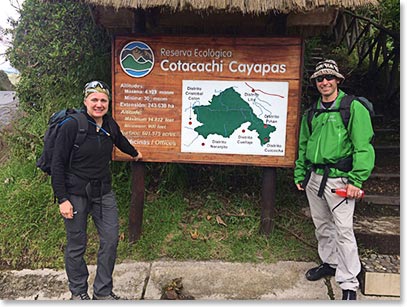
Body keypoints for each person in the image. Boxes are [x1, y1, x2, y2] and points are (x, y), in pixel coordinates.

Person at [51, 80, 142, 300]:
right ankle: (79, 293)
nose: (99, 104)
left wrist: (135, 154)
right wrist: (62, 199)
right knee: (76, 244)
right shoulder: (72, 125)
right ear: (85, 101)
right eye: (94, 99)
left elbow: (120, 141)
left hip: (103, 192)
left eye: (103, 100)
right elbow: (57, 164)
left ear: (108, 103)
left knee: (110, 240)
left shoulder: (109, 125)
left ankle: (102, 293)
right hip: (75, 194)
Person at [293, 59, 375, 300]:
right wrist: (300, 173)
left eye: (329, 77)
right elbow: (303, 145)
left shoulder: (352, 108)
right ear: (315, 83)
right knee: (322, 225)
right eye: (320, 78)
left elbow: (363, 147)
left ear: (338, 80)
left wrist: (356, 181)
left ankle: (349, 283)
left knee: (343, 230)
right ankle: (329, 263)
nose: (325, 82)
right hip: (314, 178)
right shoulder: (312, 113)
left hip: (340, 180)